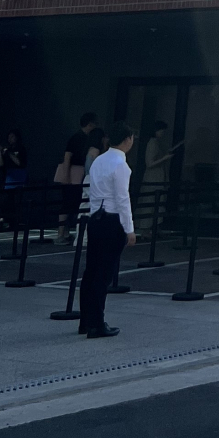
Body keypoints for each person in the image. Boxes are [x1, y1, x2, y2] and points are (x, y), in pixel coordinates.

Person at [79, 121, 135, 339]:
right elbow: (123, 198)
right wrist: (129, 229)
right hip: (112, 220)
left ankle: (86, 320)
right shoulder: (120, 165)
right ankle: (97, 323)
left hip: (96, 218)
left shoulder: (99, 161)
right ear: (128, 139)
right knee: (104, 274)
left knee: (91, 271)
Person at [56, 111, 97, 243]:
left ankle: (65, 232)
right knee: (67, 203)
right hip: (74, 172)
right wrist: (66, 176)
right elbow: (67, 157)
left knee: (72, 203)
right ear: (90, 124)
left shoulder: (83, 138)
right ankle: (61, 233)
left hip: (77, 173)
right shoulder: (77, 138)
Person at [0, 129, 28, 229]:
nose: (10, 139)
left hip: (18, 177)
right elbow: (2, 165)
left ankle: (16, 221)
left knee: (17, 201)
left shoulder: (21, 149)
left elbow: (20, 163)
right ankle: (8, 221)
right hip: (9, 178)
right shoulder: (8, 149)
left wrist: (10, 153)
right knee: (8, 201)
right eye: (9, 137)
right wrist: (0, 152)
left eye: (12, 137)